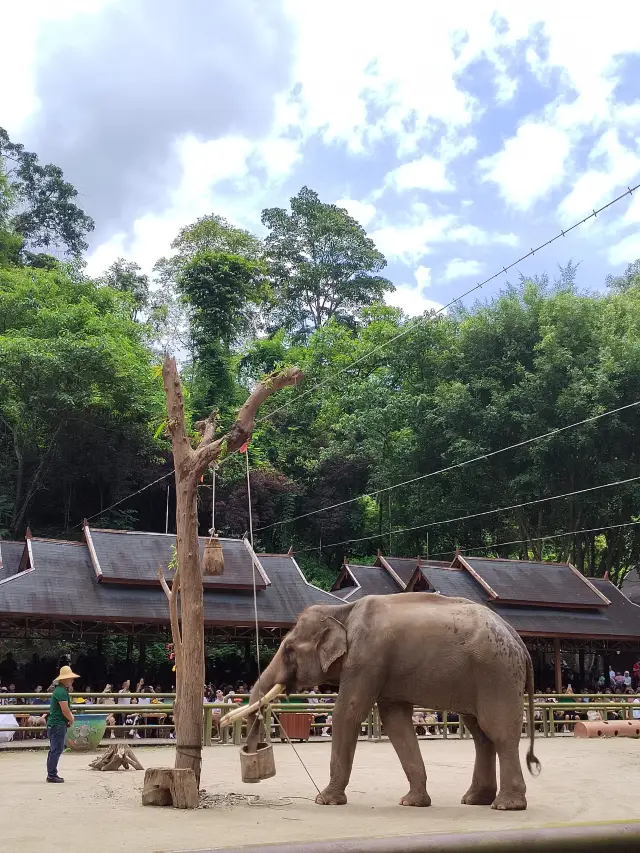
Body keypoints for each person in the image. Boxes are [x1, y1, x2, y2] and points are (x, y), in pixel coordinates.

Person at [46, 664, 79, 783]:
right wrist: (71, 719)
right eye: (70, 678)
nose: (72, 680)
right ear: (65, 679)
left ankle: (51, 773)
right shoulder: (61, 691)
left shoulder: (60, 690)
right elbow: (65, 709)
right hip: (57, 724)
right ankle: (52, 774)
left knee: (54, 749)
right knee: (56, 749)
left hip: (56, 723)